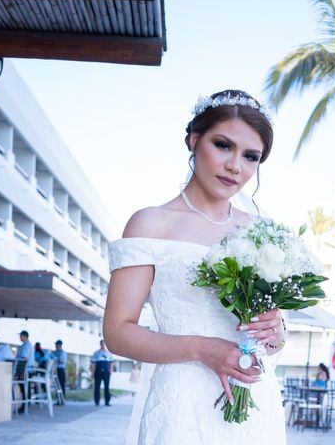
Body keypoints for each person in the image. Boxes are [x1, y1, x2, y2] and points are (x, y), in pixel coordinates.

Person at [103, 90, 286, 444]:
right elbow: (117, 333)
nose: (236, 165)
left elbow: (273, 344)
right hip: (182, 409)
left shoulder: (263, 233)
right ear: (194, 139)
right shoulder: (150, 224)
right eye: (223, 145)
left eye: (251, 156)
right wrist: (202, 349)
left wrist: (275, 331)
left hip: (256, 409)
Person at [15, 330, 35, 412]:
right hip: (25, 369)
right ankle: (25, 405)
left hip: (25, 370)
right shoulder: (25, 345)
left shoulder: (27, 345)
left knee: (24, 388)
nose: (20, 337)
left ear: (25, 336)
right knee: (24, 388)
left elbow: (24, 358)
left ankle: (25, 405)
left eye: (21, 336)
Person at [91, 339, 114, 406]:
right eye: (102, 344)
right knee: (97, 387)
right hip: (98, 372)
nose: (103, 345)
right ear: (100, 344)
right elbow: (93, 363)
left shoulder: (109, 353)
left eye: (104, 344)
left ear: (105, 344)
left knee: (107, 387)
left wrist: (111, 370)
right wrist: (92, 372)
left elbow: (111, 363)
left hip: (106, 372)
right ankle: (97, 401)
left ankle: (107, 402)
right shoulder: (96, 353)